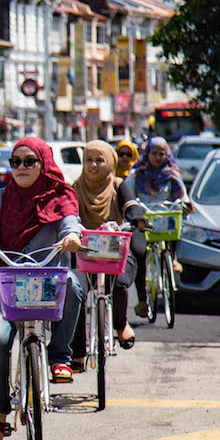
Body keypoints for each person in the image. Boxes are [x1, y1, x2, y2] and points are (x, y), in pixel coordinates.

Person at [0, 137, 84, 440]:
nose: (20, 168)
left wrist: (72, 236)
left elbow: (70, 222)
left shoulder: (62, 194)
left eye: (28, 161)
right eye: (15, 162)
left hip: (48, 278)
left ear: (44, 163)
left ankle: (60, 356)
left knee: (74, 286)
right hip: (7, 282)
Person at [70, 142, 145, 363]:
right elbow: (69, 212)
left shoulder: (117, 184)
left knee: (120, 281)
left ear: (109, 162)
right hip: (85, 251)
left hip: (115, 248)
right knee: (77, 291)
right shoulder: (75, 187)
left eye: (99, 160)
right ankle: (78, 352)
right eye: (88, 160)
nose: (93, 165)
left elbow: (129, 204)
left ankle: (120, 325)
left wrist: (137, 217)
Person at [129, 137, 192, 317]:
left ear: (167, 155)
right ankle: (142, 301)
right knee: (140, 256)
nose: (157, 157)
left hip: (165, 220)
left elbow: (182, 195)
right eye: (154, 153)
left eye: (161, 154)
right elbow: (127, 194)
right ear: (147, 154)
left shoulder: (172, 174)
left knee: (179, 226)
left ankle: (173, 258)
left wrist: (186, 203)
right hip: (144, 222)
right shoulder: (137, 174)